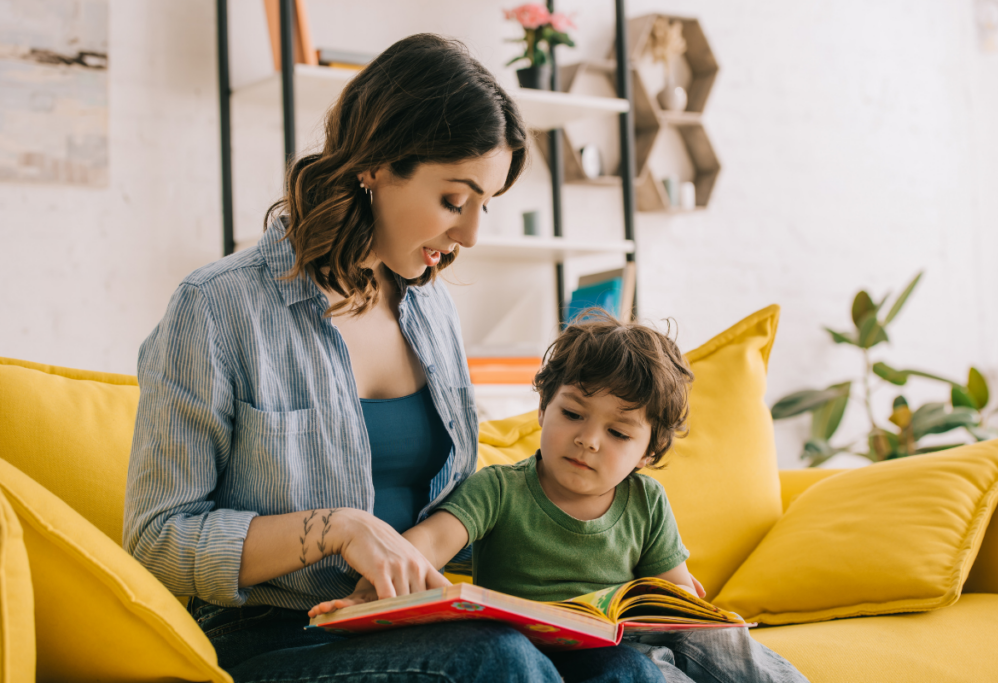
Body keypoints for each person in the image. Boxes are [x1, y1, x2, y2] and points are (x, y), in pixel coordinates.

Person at [124, 33, 663, 683]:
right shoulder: (217, 308)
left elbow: (467, 502)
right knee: (497, 661)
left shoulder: (431, 311)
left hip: (415, 619)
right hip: (271, 633)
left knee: (623, 668)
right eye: (453, 201)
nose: (469, 234)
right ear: (377, 163)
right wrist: (337, 528)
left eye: (483, 206)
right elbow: (157, 540)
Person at [310, 312, 810, 683]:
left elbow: (672, 597)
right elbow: (425, 544)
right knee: (643, 673)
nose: (589, 439)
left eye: (618, 433)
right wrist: (370, 589)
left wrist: (697, 609)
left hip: (618, 642)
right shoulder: (499, 489)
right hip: (531, 652)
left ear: (647, 451)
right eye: (573, 414)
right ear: (545, 407)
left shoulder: (646, 501)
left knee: (713, 644)